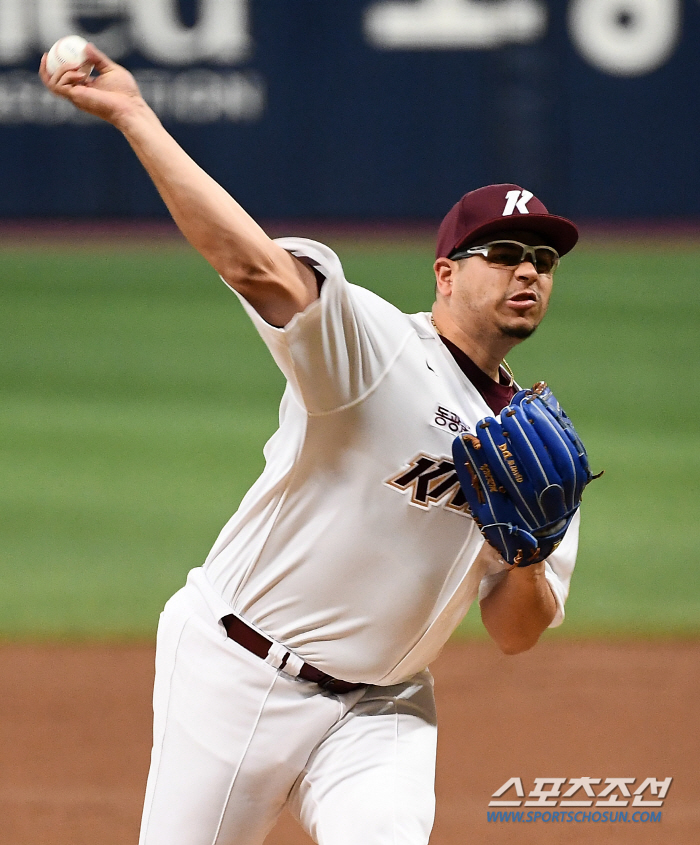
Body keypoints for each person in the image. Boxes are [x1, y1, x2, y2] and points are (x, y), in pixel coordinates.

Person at [41, 45, 581, 845]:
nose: (527, 272)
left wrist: (530, 554)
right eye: (503, 254)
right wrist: (132, 113)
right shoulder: (375, 347)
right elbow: (252, 264)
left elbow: (515, 631)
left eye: (542, 259)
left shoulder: (542, 448)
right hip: (237, 671)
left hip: (383, 708)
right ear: (445, 274)